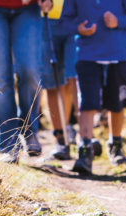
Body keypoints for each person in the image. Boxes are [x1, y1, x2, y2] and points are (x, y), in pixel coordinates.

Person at [41, 0, 126, 174]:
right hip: (86, 55)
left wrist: (118, 21)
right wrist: (77, 29)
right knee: (86, 102)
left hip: (118, 54)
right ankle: (85, 149)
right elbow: (64, 22)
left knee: (116, 103)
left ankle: (115, 144)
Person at [0, 0, 43, 163]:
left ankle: (29, 130)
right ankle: (9, 145)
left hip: (27, 9)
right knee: (0, 78)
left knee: (30, 71)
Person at [39, 0, 79, 160]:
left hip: (77, 18)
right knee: (52, 81)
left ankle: (82, 135)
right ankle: (60, 138)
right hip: (46, 17)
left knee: (73, 78)